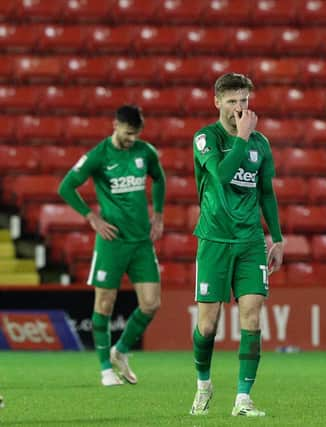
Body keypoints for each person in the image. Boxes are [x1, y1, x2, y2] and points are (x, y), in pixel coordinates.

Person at [188, 73, 284, 417]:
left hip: (250, 242)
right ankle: (203, 385)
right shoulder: (205, 138)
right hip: (213, 240)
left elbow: (267, 193)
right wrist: (242, 138)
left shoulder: (262, 144)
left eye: (244, 100)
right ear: (217, 102)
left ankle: (243, 398)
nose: (239, 108)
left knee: (252, 316)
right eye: (232, 101)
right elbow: (223, 175)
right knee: (208, 325)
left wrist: (277, 237)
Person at [58, 105, 166, 386]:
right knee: (104, 303)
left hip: (141, 241)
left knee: (151, 304)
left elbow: (159, 178)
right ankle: (105, 368)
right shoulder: (98, 156)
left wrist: (159, 215)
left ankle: (121, 350)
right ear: (116, 125)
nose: (132, 139)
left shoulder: (145, 152)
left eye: (136, 135)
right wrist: (91, 217)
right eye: (128, 134)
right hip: (112, 242)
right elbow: (66, 186)